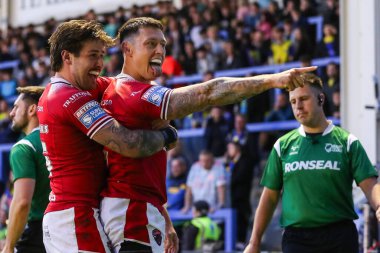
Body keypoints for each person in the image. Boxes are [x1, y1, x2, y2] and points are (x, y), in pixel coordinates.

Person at [99, 16, 316, 253]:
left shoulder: (120, 90)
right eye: (151, 44)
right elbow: (209, 93)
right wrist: (273, 80)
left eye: (163, 44)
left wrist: (165, 218)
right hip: (131, 211)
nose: (160, 50)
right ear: (127, 49)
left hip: (138, 207)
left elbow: (142, 169)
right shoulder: (131, 93)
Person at [38, 20, 177, 253]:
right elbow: (128, 144)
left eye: (102, 55)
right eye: (93, 55)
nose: (100, 64)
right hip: (75, 216)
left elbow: (124, 85)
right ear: (67, 56)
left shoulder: (69, 90)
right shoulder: (69, 97)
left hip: (67, 215)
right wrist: (166, 135)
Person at [244, 73, 380, 253]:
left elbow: (369, 185)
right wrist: (254, 243)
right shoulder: (282, 146)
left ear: (321, 99)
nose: (298, 106)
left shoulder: (347, 142)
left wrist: (379, 205)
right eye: (293, 102)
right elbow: (269, 196)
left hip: (340, 237)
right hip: (297, 240)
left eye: (303, 99)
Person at [2, 86, 49, 253]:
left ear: (32, 109)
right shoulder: (60, 139)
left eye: (16, 107)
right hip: (65, 227)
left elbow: (22, 202)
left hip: (35, 232)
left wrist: (8, 246)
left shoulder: (23, 147)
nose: (11, 113)